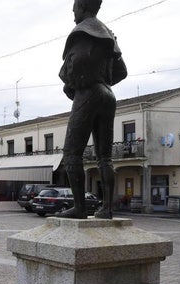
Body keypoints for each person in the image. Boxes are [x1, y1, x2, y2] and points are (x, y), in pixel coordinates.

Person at [56, 0, 127, 219]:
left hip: (88, 93)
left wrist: (73, 84)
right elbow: (122, 71)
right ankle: (107, 209)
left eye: (74, 8)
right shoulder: (108, 36)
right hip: (108, 94)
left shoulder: (82, 32)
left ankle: (79, 208)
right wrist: (103, 81)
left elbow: (76, 65)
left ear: (84, 7)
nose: (73, 13)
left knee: (71, 155)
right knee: (104, 157)